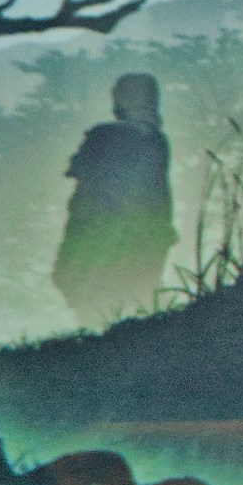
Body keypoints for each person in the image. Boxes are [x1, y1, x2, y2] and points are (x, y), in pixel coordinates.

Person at [53, 72, 174, 325]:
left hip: (105, 242)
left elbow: (81, 176)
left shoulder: (107, 136)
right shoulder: (155, 142)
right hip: (135, 244)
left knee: (99, 311)